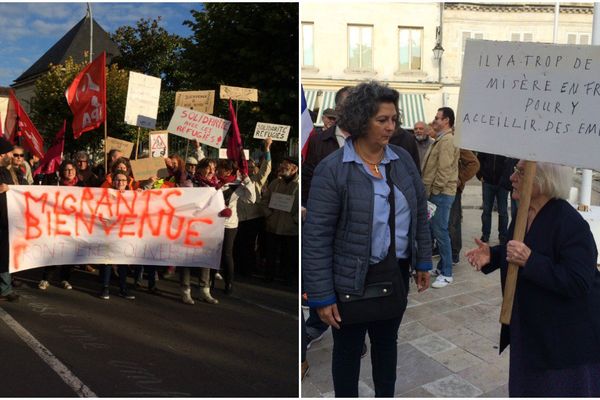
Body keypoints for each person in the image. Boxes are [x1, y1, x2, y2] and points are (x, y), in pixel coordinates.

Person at [303, 81, 432, 397]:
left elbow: (418, 211)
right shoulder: (333, 169)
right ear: (361, 120)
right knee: (347, 350)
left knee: (387, 344)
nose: (391, 127)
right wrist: (321, 295)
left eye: (394, 119)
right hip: (349, 279)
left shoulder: (401, 158)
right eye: (382, 120)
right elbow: (316, 236)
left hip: (395, 273)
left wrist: (424, 260)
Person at [466, 160, 600, 397]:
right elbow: (516, 249)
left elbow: (578, 281)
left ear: (543, 181)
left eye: (520, 172)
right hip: (529, 331)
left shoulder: (570, 223)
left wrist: (531, 260)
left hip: (561, 344)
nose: (512, 177)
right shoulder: (524, 212)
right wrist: (494, 255)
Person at [421, 107, 460, 288]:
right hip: (437, 193)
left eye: (438, 118)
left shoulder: (447, 141)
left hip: (441, 194)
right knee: (437, 231)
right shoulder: (441, 139)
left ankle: (447, 273)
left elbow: (444, 169)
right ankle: (442, 267)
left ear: (446, 121)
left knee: (441, 232)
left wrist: (435, 191)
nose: (435, 120)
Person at [179, 157, 220, 305]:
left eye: (214, 169)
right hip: (190, 227)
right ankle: (185, 290)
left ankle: (204, 289)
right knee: (187, 259)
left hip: (207, 227)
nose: (211, 171)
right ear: (200, 169)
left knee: (206, 258)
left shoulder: (217, 186)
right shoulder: (190, 183)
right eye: (208, 168)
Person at [38, 161, 82, 291]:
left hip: (74, 224)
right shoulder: (55, 184)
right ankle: (46, 278)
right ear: (62, 172)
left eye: (72, 169)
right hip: (57, 223)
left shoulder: (82, 185)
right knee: (54, 251)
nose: (70, 172)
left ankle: (65, 279)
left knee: (69, 252)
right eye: (67, 170)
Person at [215, 159, 256, 294]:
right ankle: (209, 281)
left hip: (229, 224)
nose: (217, 170)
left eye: (220, 168)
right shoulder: (213, 182)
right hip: (213, 223)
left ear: (228, 171)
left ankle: (229, 283)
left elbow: (251, 199)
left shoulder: (238, 185)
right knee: (212, 253)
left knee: (227, 253)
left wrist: (247, 181)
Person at [235, 138, 272, 278]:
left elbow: (266, 168)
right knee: (239, 244)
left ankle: (249, 269)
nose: (248, 169)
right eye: (245, 166)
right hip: (238, 218)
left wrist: (267, 148)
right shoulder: (236, 181)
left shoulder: (257, 180)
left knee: (250, 245)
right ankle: (238, 267)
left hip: (253, 217)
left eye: (250, 167)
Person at [260, 156, 298, 286]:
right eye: (282, 164)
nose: (282, 167)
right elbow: (264, 201)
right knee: (271, 253)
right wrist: (269, 215)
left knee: (289, 256)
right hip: (273, 226)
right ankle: (268, 276)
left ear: (294, 169)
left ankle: (288, 278)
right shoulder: (275, 183)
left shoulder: (299, 185)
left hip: (291, 229)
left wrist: (295, 220)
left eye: (286, 165)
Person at [98, 171, 135, 300]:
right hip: (108, 232)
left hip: (124, 234)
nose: (120, 183)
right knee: (107, 261)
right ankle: (105, 288)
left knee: (123, 262)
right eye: (118, 180)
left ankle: (123, 288)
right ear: (113, 182)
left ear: (127, 182)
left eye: (123, 180)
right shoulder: (106, 195)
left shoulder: (133, 195)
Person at [447, 149, 479, 265]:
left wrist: (460, 178)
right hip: (440, 190)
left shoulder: (456, 143)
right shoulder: (435, 141)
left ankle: (454, 252)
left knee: (453, 221)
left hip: (452, 190)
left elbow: (474, 164)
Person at [0, 138, 22, 301]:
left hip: (7, 221)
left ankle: (5, 288)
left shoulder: (6, 172)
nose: (11, 155)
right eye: (8, 152)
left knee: (5, 255)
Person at [476, 152, 510, 244]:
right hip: (487, 182)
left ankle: (503, 235)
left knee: (503, 211)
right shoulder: (487, 144)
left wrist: (506, 178)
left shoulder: (506, 144)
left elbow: (509, 162)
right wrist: (480, 175)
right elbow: (479, 159)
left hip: (502, 184)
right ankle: (485, 234)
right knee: (486, 211)